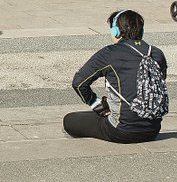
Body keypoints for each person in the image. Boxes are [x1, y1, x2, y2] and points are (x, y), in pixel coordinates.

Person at [64, 10, 168, 143]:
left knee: (69, 120)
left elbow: (78, 83)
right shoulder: (157, 53)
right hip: (152, 130)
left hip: (121, 131)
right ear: (141, 31)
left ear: (115, 31)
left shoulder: (109, 53)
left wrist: (96, 104)